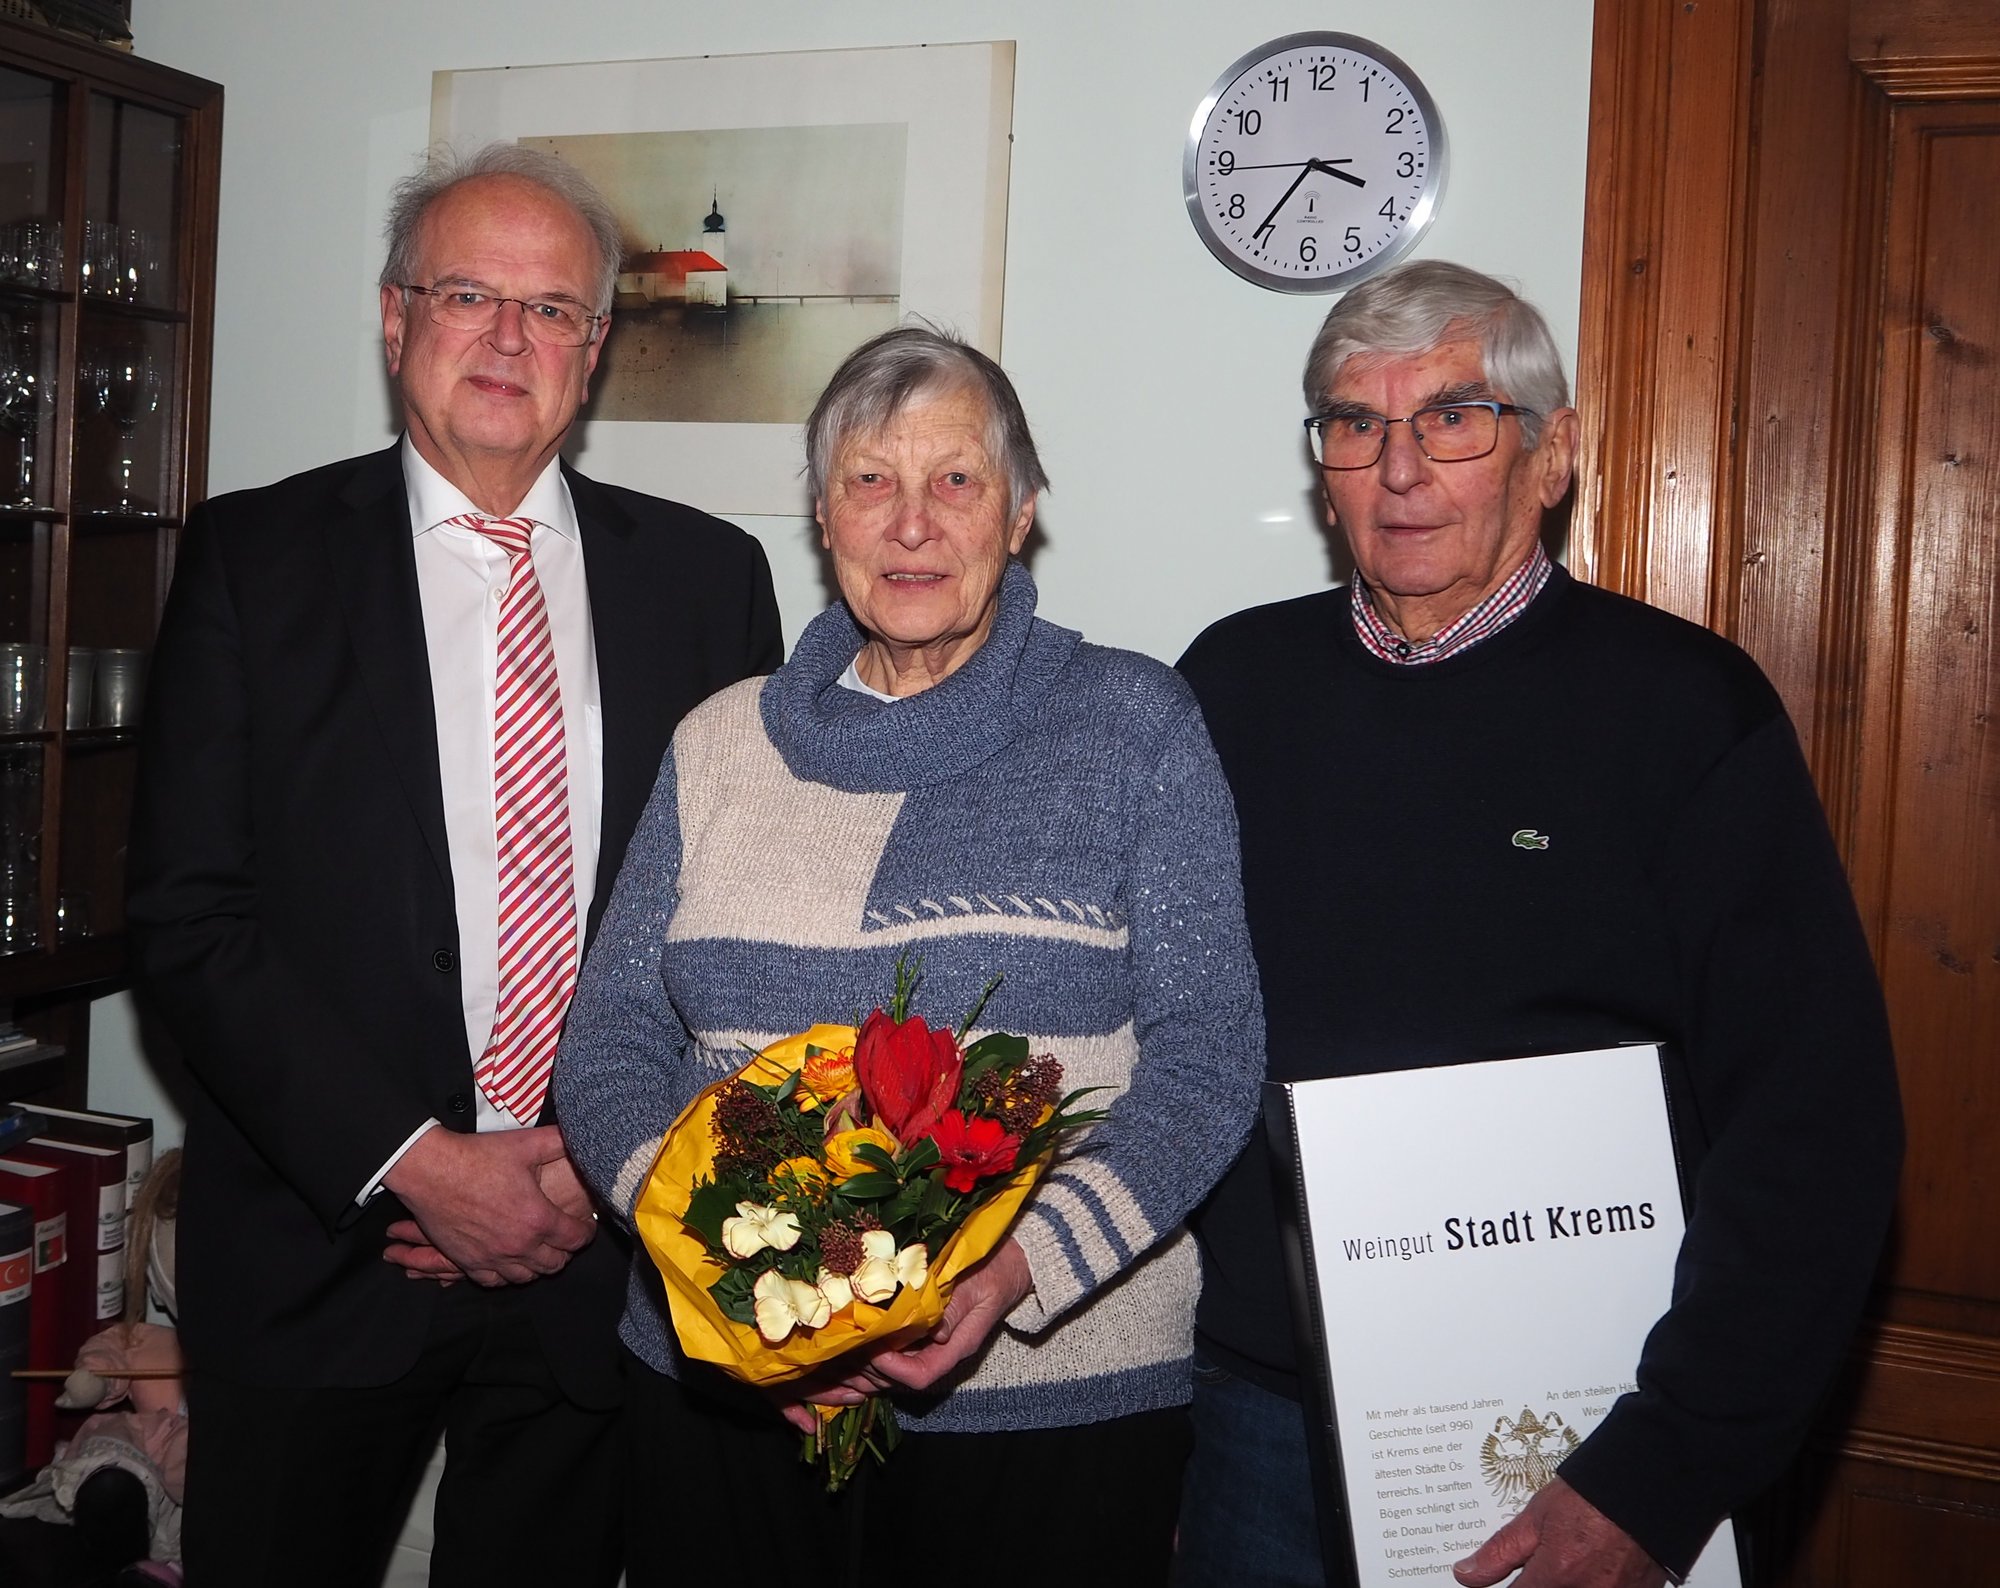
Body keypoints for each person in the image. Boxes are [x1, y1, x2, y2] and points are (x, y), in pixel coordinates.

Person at [1173, 260, 1902, 1588]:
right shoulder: (1228, 686)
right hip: (1257, 1421)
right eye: (1353, 423)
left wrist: (1660, 1471)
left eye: (1453, 417)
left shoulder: (1689, 713)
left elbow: (1815, 1135)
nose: (1397, 469)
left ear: (1552, 455)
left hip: (1570, 1439)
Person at [126, 143, 782, 1586]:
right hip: (318, 1263)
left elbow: (740, 927)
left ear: (595, 351)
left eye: (551, 311)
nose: (507, 337)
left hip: (601, 1263)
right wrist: (416, 1164)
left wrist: (582, 1179)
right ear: (393, 318)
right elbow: (187, 921)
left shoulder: (708, 579)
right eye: (468, 293)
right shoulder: (253, 558)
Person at [554, 324, 1264, 1585]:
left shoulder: (1133, 726)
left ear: (1021, 513)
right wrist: (727, 1274)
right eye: (870, 481)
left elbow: (1209, 1062)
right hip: (723, 1398)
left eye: (956, 480)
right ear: (822, 514)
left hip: (1057, 1399)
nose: (912, 523)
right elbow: (608, 1038)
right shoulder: (717, 743)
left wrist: (1017, 1269)